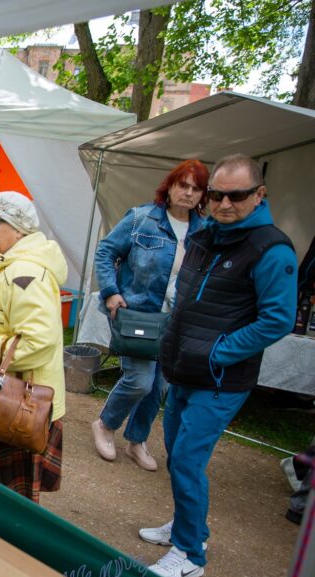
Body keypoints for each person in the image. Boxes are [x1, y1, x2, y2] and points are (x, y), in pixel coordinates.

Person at [141, 154, 297, 577]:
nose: (225, 203)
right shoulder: (205, 233)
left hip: (221, 379)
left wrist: (220, 352)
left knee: (187, 461)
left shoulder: (271, 248)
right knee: (178, 456)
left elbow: (278, 319)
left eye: (237, 195)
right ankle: (190, 528)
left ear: (259, 194)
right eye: (217, 194)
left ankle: (190, 553)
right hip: (183, 368)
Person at [91, 160, 210, 471]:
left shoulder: (206, 230)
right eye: (182, 185)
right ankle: (105, 425)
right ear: (168, 187)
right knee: (140, 381)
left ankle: (136, 440)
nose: (188, 193)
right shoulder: (140, 218)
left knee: (159, 387)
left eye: (195, 188)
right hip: (138, 314)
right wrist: (111, 292)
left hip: (177, 321)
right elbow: (105, 252)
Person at [0, 191, 67, 504]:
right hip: (7, 399)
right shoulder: (13, 265)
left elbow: (38, 340)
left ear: (17, 228)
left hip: (16, 404)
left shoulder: (25, 272)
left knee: (1, 503)